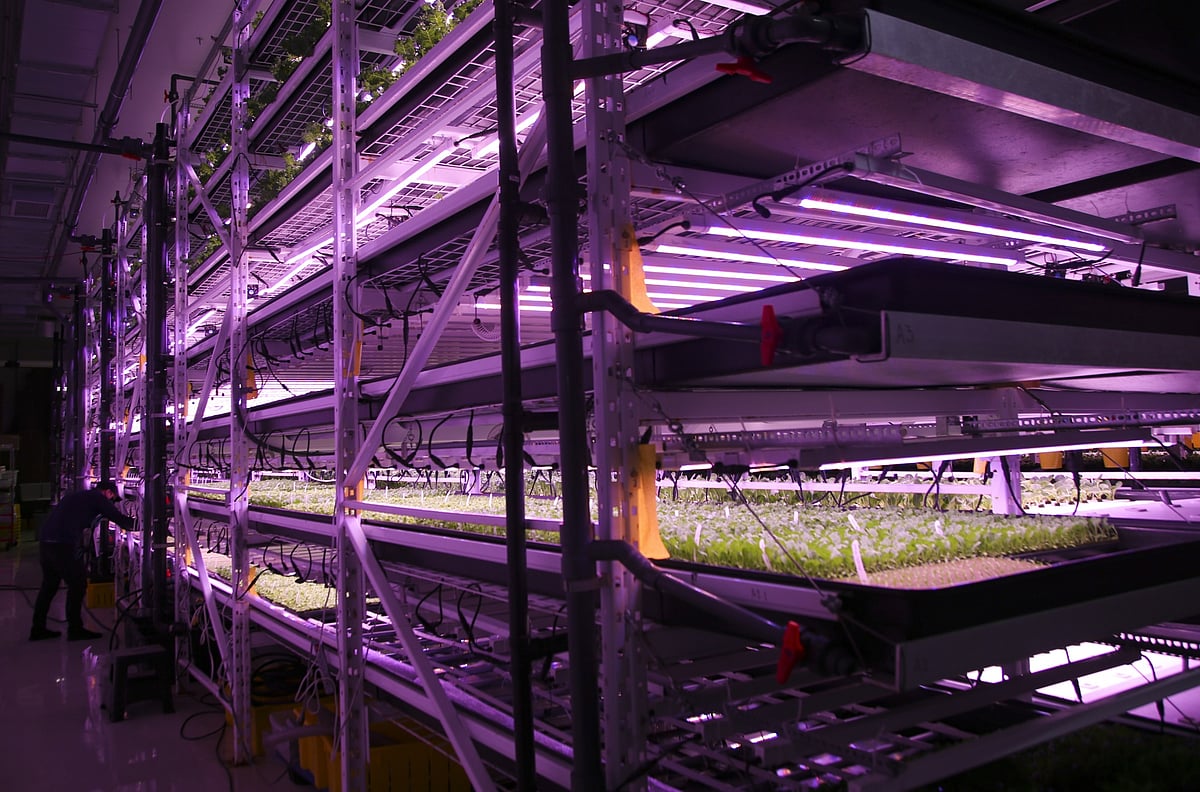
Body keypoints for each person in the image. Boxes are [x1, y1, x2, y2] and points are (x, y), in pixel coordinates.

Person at [30, 480, 135, 641]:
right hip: (62, 544)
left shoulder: (78, 495)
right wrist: (147, 525)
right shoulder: (98, 498)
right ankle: (75, 629)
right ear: (107, 492)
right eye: (113, 498)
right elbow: (119, 518)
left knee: (49, 585)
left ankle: (38, 628)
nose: (112, 502)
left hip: (47, 542)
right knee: (78, 584)